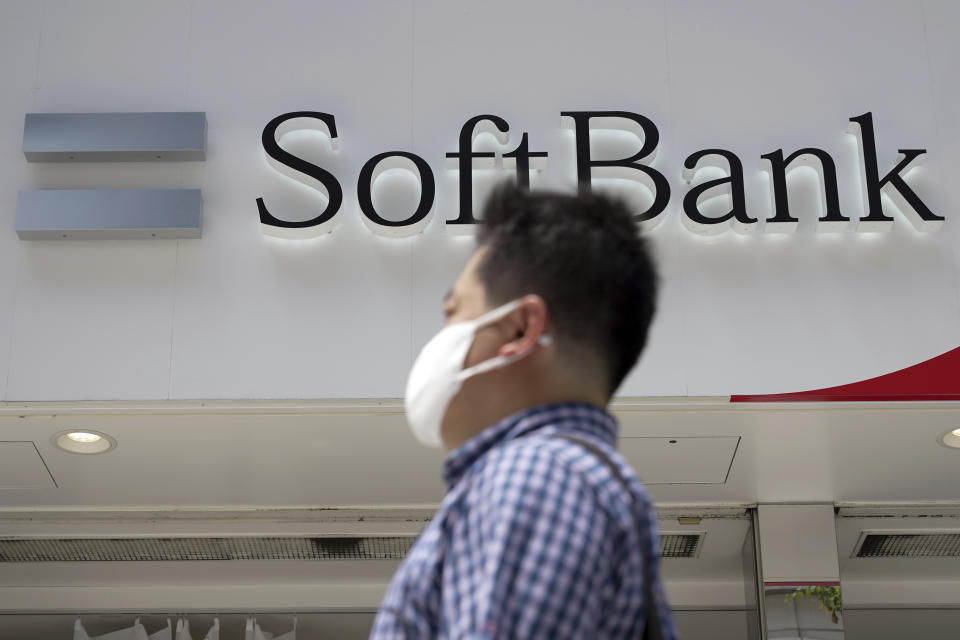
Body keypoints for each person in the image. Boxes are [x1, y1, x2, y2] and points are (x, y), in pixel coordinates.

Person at [371, 183, 677, 639]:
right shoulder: (577, 479)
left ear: (519, 329)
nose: (443, 334)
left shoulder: (533, 476)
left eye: (454, 312)